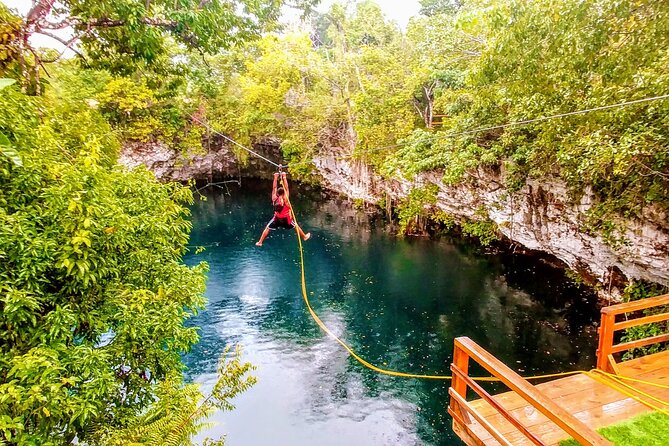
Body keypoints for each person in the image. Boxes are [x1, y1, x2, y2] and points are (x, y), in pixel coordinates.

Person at [255, 171, 311, 247]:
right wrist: (284, 177)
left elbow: (274, 187)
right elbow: (287, 188)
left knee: (267, 228)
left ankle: (260, 242)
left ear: (277, 193)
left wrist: (275, 177)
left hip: (277, 219)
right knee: (296, 226)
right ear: (284, 192)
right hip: (286, 220)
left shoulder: (274, 198)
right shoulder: (285, 199)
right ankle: (304, 237)